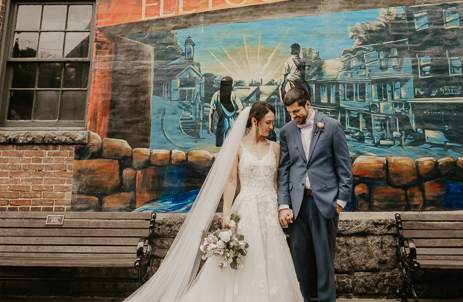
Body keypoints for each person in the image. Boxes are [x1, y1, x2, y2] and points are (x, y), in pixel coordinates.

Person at [123, 101, 303, 302]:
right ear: (254, 121)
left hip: (269, 210)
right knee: (246, 256)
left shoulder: (275, 148)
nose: (272, 127)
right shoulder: (238, 148)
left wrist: (281, 208)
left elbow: (278, 182)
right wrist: (226, 214)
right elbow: (231, 182)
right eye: (268, 123)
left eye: (272, 123)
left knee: (272, 258)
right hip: (247, 209)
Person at [277, 86, 353, 302]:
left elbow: (344, 166)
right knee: (300, 259)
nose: (293, 116)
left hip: (325, 204)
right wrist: (284, 204)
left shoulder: (332, 126)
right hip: (297, 206)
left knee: (324, 260)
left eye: (296, 111)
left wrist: (340, 202)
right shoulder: (286, 131)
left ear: (307, 104)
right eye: (290, 112)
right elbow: (284, 170)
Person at [209, 76, 243, 147]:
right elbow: (239, 112)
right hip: (233, 122)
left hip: (222, 122)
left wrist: (210, 125)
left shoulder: (216, 94)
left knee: (221, 143)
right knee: (233, 144)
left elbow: (211, 112)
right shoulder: (234, 95)